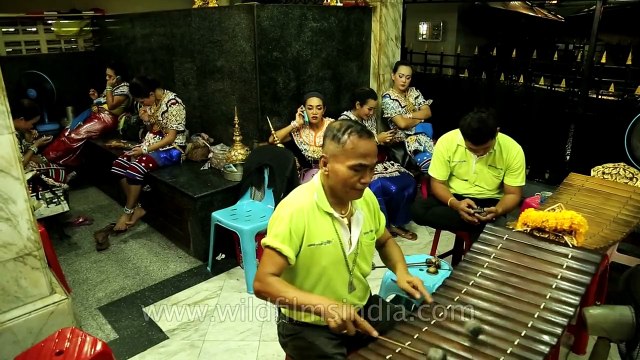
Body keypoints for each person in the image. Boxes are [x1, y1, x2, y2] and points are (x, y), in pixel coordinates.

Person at [254, 119, 431, 359]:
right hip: (306, 323)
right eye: (357, 169)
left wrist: (401, 271)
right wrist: (325, 306)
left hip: (361, 306)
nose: (368, 178)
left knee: (415, 335)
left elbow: (385, 241)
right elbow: (264, 283)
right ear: (325, 163)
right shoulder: (295, 210)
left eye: (371, 168)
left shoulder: (365, 199)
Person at [411, 108, 526, 238]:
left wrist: (498, 210)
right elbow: (438, 183)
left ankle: (480, 222)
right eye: (472, 149)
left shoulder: (513, 150)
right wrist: (456, 204)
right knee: (417, 211)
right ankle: (478, 224)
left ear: (497, 132)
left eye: (486, 148)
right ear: (462, 135)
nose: (480, 153)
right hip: (453, 197)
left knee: (486, 221)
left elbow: (513, 194)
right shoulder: (447, 141)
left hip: (489, 202)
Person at [108, 76, 187, 232]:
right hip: (152, 143)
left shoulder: (173, 103)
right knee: (119, 165)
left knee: (135, 169)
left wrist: (144, 150)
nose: (141, 104)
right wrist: (147, 119)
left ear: (151, 94)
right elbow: (153, 130)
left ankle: (127, 212)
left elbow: (171, 137)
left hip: (172, 149)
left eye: (142, 101)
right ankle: (137, 207)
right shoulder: (153, 102)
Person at [339, 87, 418, 241]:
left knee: (408, 181)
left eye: (374, 109)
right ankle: (384, 226)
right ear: (357, 105)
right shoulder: (344, 122)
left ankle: (396, 221)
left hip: (376, 160)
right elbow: (349, 148)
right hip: (357, 166)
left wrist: (387, 141)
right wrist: (376, 140)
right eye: (369, 109)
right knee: (382, 186)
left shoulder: (369, 118)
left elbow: (375, 143)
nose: (372, 113)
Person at [42, 61, 132, 167]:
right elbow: (104, 102)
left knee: (75, 135)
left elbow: (111, 105)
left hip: (106, 119)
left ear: (119, 77)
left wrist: (108, 87)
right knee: (68, 130)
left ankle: (48, 158)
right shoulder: (114, 86)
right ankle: (53, 159)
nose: (107, 78)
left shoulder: (124, 89)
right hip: (97, 115)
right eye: (106, 75)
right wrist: (96, 99)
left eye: (110, 76)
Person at [268, 92, 335, 183]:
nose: (314, 112)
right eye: (310, 108)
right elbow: (272, 139)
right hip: (306, 180)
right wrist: (295, 124)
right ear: (303, 110)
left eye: (319, 108)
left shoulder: (333, 127)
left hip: (330, 176)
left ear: (323, 110)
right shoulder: (299, 130)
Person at [381, 60, 434, 173]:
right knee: (428, 162)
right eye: (401, 76)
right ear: (393, 76)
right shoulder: (388, 98)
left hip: (423, 135)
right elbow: (402, 124)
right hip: (403, 141)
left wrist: (409, 115)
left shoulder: (414, 92)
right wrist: (420, 118)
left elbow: (427, 112)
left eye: (408, 77)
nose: (404, 80)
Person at [11, 98, 73, 188]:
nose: (32, 127)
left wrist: (30, 140)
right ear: (21, 119)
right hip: (14, 172)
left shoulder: (17, 131)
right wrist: (36, 145)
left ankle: (63, 176)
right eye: (32, 123)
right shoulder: (8, 135)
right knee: (42, 168)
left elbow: (21, 152)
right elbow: (19, 164)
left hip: (20, 165)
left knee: (48, 163)